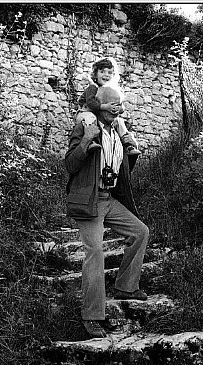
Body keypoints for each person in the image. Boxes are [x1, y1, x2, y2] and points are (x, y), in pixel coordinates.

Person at [65, 85, 149, 339]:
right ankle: (91, 315)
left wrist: (130, 153)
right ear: (99, 106)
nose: (116, 109)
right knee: (96, 251)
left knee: (140, 232)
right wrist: (87, 141)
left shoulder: (118, 132)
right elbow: (70, 164)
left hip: (108, 198)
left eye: (119, 105)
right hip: (88, 200)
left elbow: (123, 168)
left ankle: (126, 286)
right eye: (111, 105)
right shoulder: (85, 126)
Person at [76, 57, 141, 155]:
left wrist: (119, 108)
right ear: (95, 74)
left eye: (110, 73)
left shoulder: (111, 89)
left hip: (98, 115)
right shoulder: (93, 87)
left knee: (119, 121)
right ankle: (91, 141)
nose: (106, 75)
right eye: (102, 72)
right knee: (91, 117)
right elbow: (91, 103)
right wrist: (105, 107)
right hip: (85, 113)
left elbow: (120, 104)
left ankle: (128, 144)